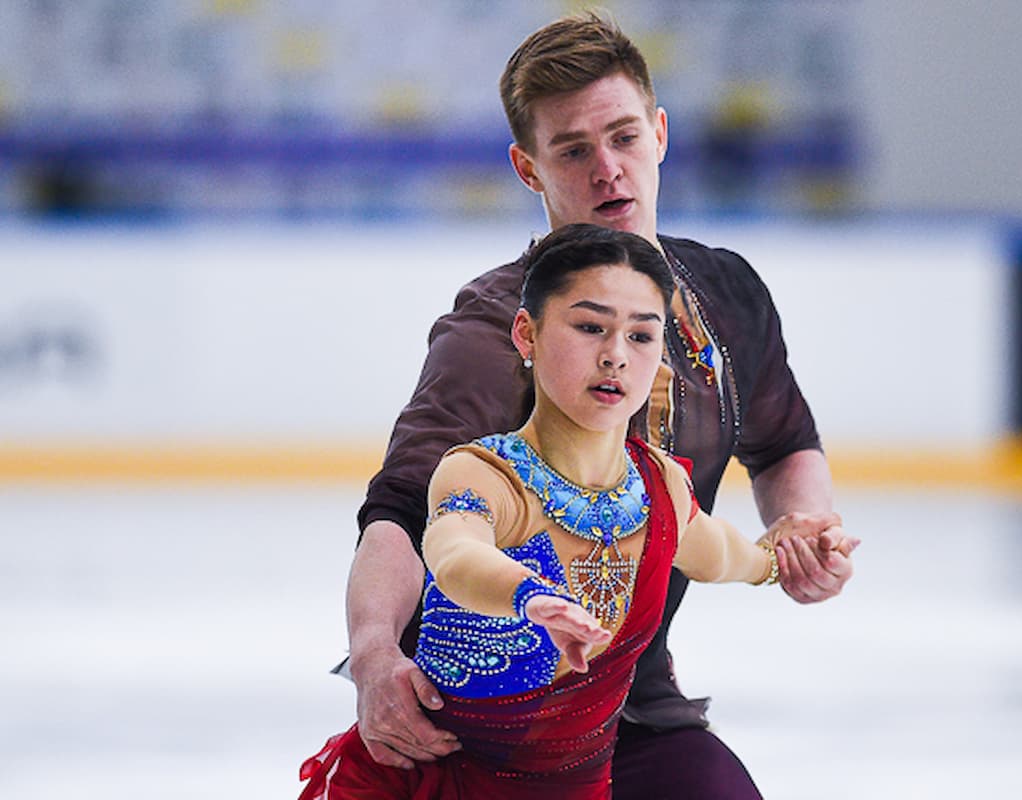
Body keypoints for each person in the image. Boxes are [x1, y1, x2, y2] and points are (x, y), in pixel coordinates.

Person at [343, 12, 859, 799]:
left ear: (658, 133)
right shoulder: (493, 331)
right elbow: (401, 513)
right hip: (478, 721)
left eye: (622, 138)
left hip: (635, 707)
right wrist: (377, 659)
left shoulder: (725, 295)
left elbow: (784, 440)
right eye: (573, 150)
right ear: (528, 168)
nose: (607, 170)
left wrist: (801, 528)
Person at [299, 224, 844, 799]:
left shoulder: (660, 487)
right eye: (590, 328)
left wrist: (790, 553)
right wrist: (528, 595)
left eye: (640, 336)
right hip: (427, 781)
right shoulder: (487, 473)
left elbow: (726, 555)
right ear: (526, 335)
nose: (614, 355)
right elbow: (454, 553)